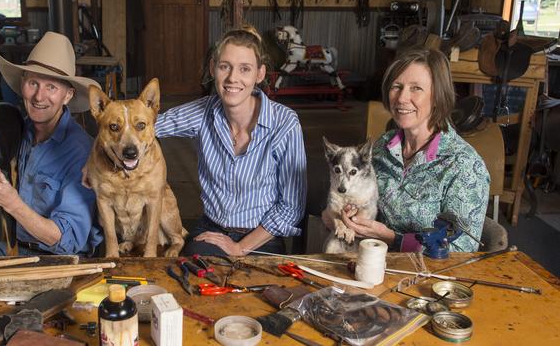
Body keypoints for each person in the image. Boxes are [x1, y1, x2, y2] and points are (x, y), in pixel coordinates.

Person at [155, 27, 307, 256]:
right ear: (212, 69)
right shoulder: (202, 112)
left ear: (260, 74)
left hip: (262, 237)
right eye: (224, 66)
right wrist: (95, 156)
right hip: (212, 230)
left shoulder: (284, 123)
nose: (232, 78)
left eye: (245, 69)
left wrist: (240, 247)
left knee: (260, 290)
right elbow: (143, 126)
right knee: (188, 281)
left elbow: (291, 208)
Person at [331, 48, 489, 252]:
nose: (402, 98)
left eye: (416, 88)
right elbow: (362, 196)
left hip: (426, 276)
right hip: (372, 259)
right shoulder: (382, 146)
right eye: (397, 86)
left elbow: (461, 251)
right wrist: (349, 213)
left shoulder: (465, 166)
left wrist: (392, 239)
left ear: (437, 96)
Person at [0, 31, 103, 256]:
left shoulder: (81, 153)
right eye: (33, 83)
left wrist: (12, 203)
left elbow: (67, 241)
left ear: (68, 95)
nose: (39, 97)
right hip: (12, 247)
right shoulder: (19, 131)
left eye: (52, 87)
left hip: (58, 259)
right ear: (22, 84)